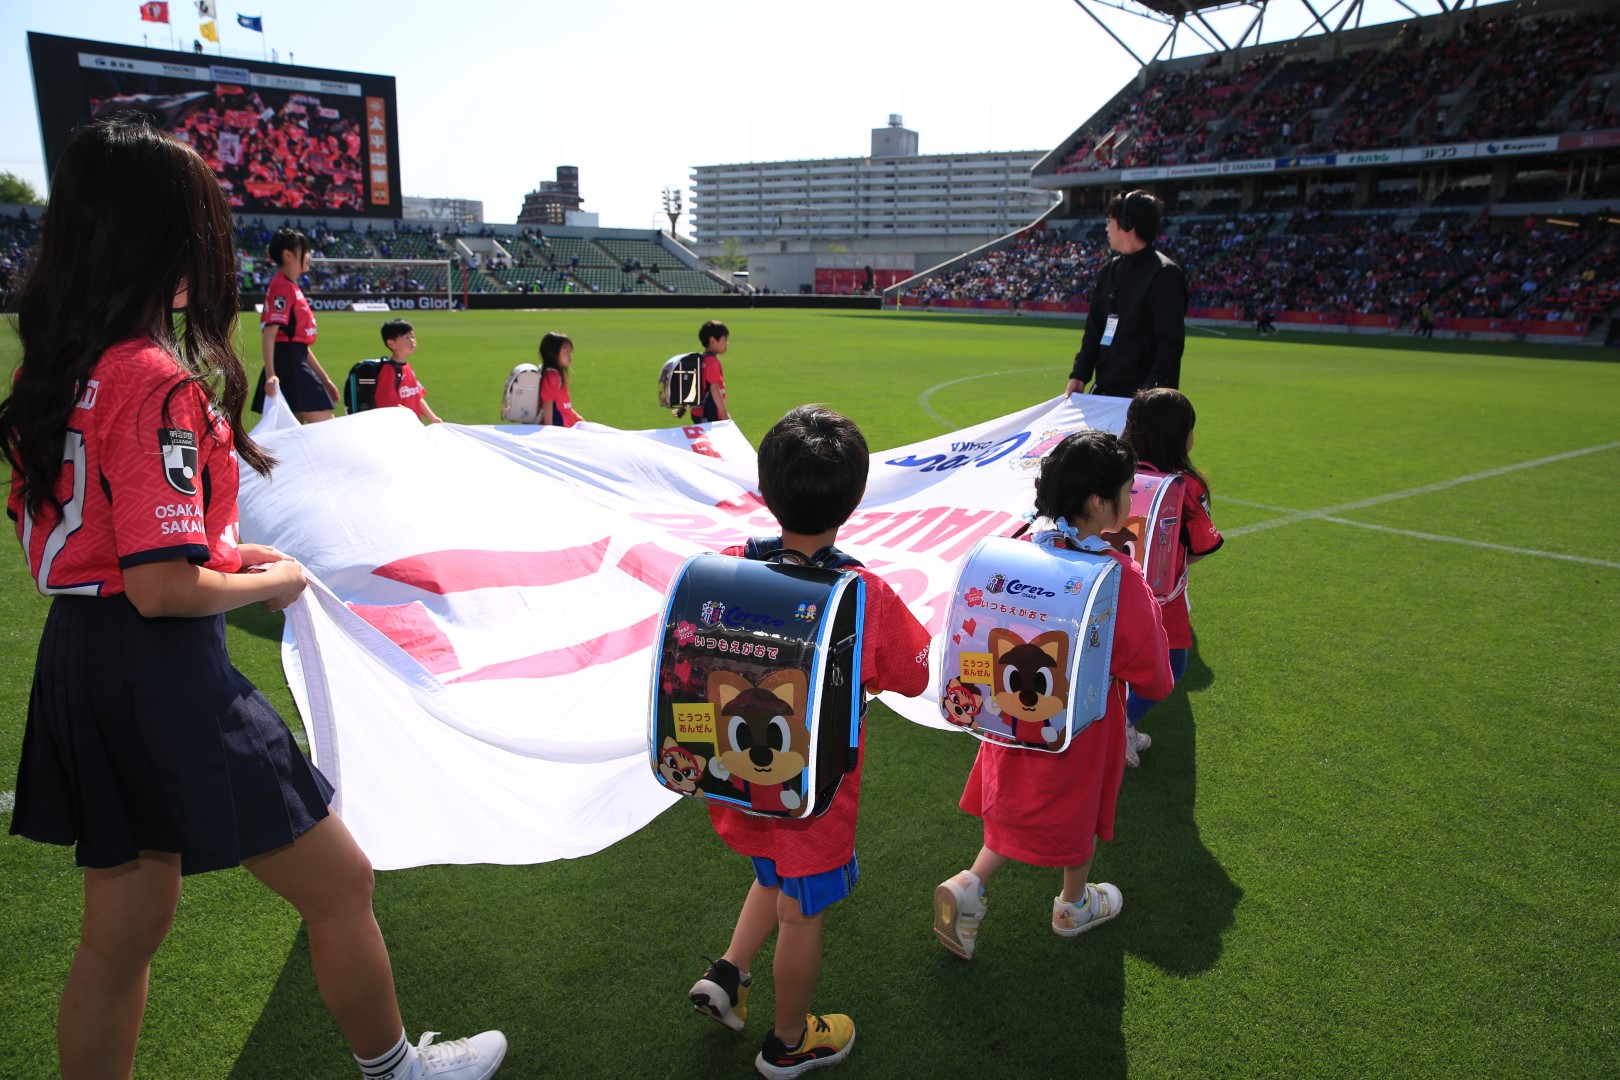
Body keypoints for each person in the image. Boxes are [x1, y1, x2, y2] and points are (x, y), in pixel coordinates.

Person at [0, 117, 504, 1080]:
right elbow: (160, 586)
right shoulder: (150, 379)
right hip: (159, 670)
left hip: (81, 659)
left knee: (122, 929)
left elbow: (119, 538)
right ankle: (398, 1070)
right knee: (340, 882)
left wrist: (224, 551)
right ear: (162, 236)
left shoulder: (55, 363)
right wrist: (279, 577)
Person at [686, 405, 930, 1079]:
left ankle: (729, 973)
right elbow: (912, 674)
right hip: (813, 797)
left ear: (766, 489)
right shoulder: (862, 592)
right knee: (800, 910)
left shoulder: (727, 568)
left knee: (770, 869)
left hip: (736, 777)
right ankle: (788, 1041)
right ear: (855, 498)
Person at [933, 430, 1172, 960]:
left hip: (1008, 720)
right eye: (1126, 492)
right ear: (1099, 502)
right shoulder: (1116, 577)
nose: (1131, 501)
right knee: (1076, 814)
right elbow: (1154, 673)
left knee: (1016, 804)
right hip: (1080, 729)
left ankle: (971, 884)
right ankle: (1073, 903)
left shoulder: (1015, 553)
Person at [1118, 389, 1223, 767]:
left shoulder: (1114, 472)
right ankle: (1121, 727)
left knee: (1115, 662)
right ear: (1181, 436)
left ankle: (1110, 726)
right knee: (1171, 667)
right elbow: (1201, 546)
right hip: (1161, 599)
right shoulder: (1186, 487)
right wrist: (1168, 563)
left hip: (1110, 589)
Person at [1067, 191, 1187, 398]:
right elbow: (1094, 328)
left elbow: (1169, 347)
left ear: (1126, 223)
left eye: (1109, 221)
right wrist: (1080, 374)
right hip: (1104, 391)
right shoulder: (1109, 270)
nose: (1106, 228)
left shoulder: (1164, 274)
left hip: (1141, 399)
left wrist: (1150, 399)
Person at [252, 226, 341, 422]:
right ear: (288, 255)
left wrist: (324, 379)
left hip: (293, 361)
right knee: (326, 426)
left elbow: (299, 344)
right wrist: (271, 375)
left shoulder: (289, 286)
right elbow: (270, 334)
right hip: (289, 366)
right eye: (305, 251)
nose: (309, 256)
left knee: (293, 432)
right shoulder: (283, 286)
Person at [372, 319, 443, 424]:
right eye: (407, 337)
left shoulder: (407, 367)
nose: (412, 341)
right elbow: (388, 404)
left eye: (413, 336)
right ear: (391, 344)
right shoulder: (388, 371)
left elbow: (417, 397)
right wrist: (410, 414)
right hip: (399, 428)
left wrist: (433, 418)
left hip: (414, 427)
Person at [688, 319, 730, 423]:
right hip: (710, 413)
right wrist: (724, 415)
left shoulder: (700, 358)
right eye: (725, 339)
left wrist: (684, 407)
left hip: (697, 412)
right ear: (712, 341)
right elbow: (714, 389)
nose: (727, 343)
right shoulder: (712, 361)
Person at [537, 331, 581, 427]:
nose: (570, 355)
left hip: (565, 425)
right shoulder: (552, 376)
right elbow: (548, 405)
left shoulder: (557, 375)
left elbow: (563, 405)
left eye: (570, 351)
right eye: (566, 352)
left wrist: (577, 417)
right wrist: (550, 429)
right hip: (560, 427)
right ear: (553, 353)